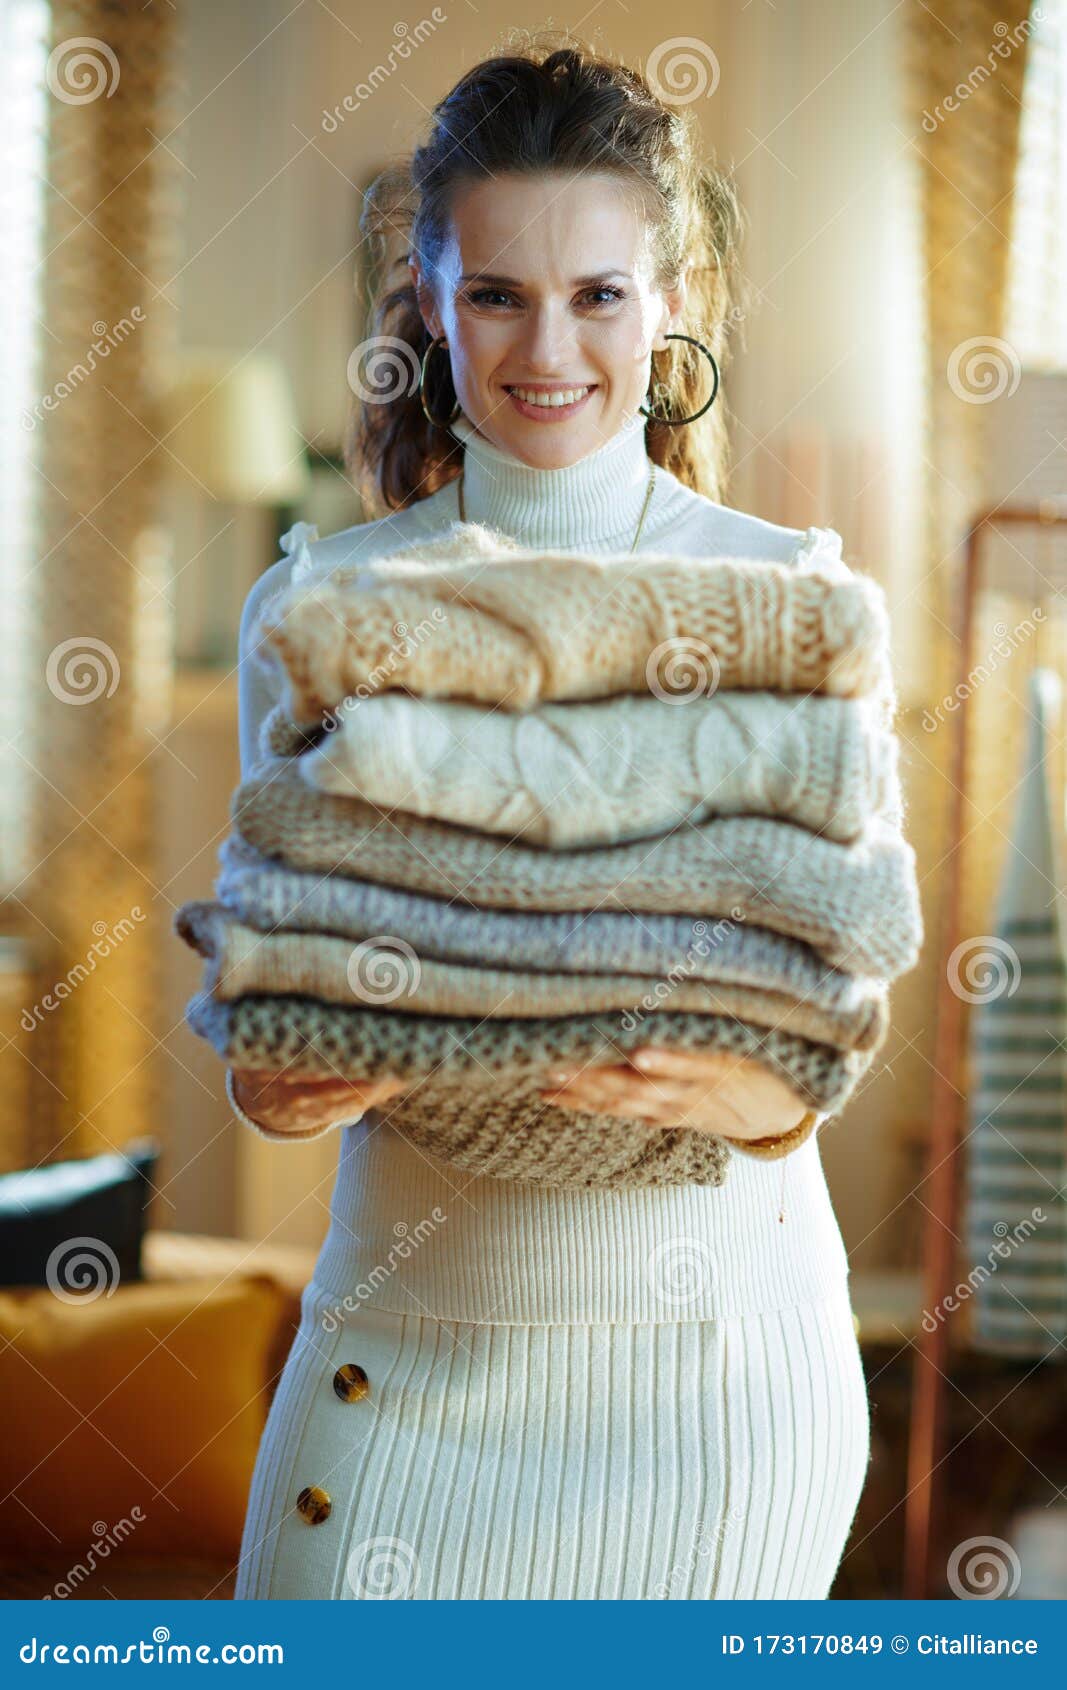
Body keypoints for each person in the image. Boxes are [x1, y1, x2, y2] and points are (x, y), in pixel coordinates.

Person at [229, 33, 871, 1601]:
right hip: (406, 1350)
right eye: (498, 292)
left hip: (713, 1378)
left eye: (598, 293)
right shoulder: (321, 604)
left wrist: (701, 1075)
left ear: (670, 306)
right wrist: (324, 1062)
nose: (548, 348)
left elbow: (814, 1053)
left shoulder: (789, 598)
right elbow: (264, 1060)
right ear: (433, 309)